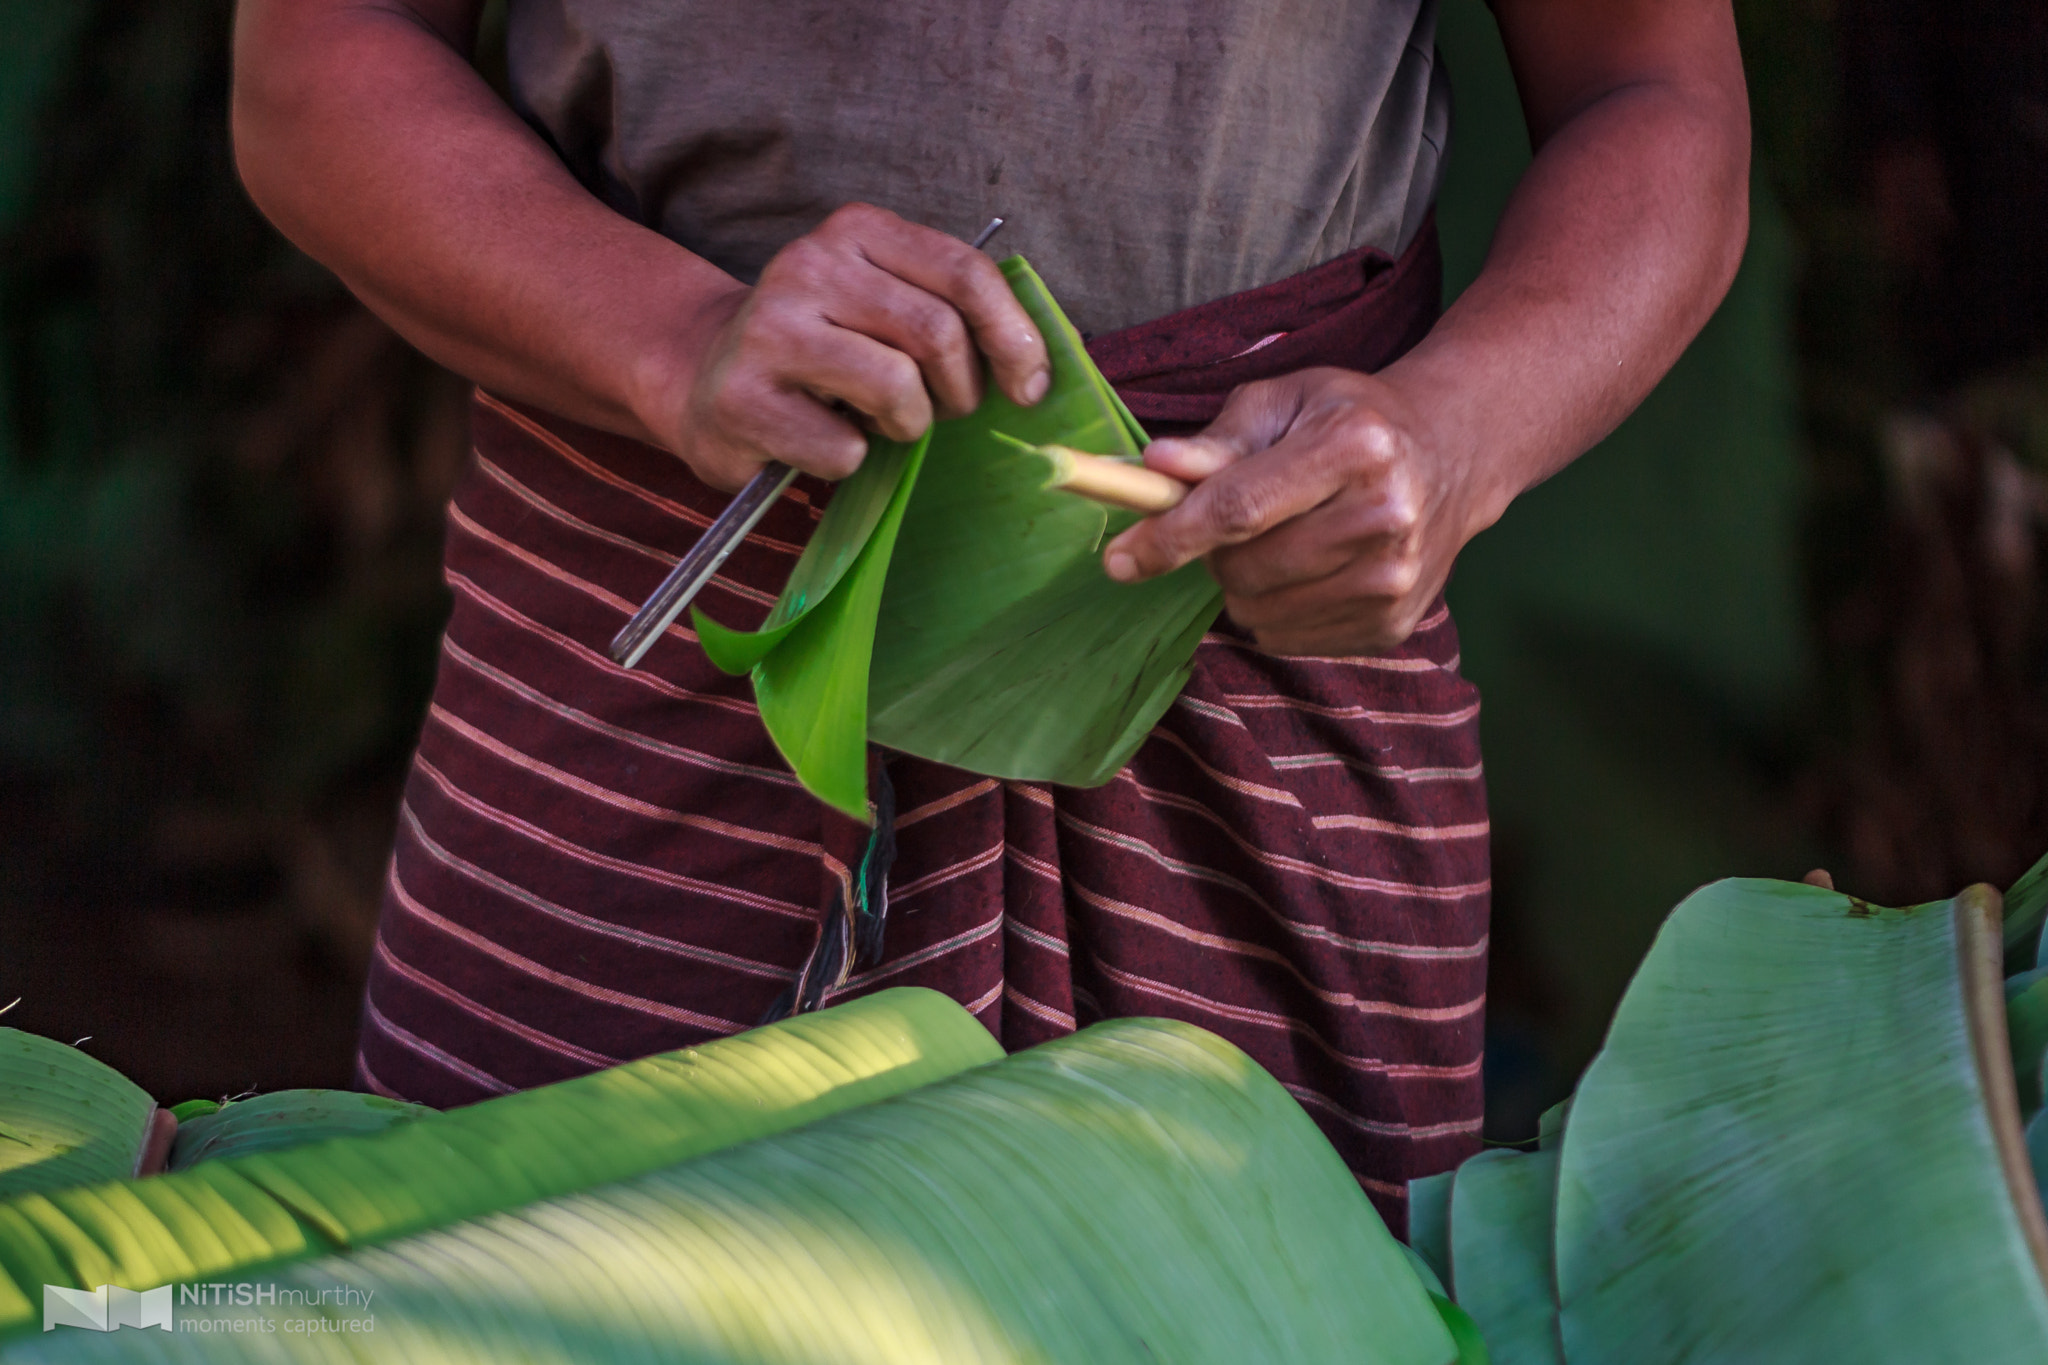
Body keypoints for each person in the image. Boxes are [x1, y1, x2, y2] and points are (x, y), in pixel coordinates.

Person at [232, 0, 1748, 1228]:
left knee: (1274, 1291)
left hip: (1270, 678)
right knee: (534, 1296)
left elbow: (1656, 89)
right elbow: (315, 53)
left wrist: (1456, 434)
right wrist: (675, 340)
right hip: (648, 675)